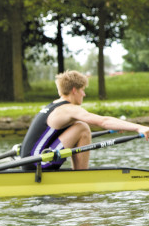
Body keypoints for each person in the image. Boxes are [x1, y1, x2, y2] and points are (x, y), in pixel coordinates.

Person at [21, 70, 149, 170]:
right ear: (74, 90)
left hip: (29, 162)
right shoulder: (69, 109)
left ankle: (78, 173)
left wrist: (120, 125)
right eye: (82, 90)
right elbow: (103, 121)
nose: (84, 94)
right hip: (38, 163)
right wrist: (139, 127)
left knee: (79, 124)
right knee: (82, 128)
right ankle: (81, 175)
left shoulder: (54, 105)